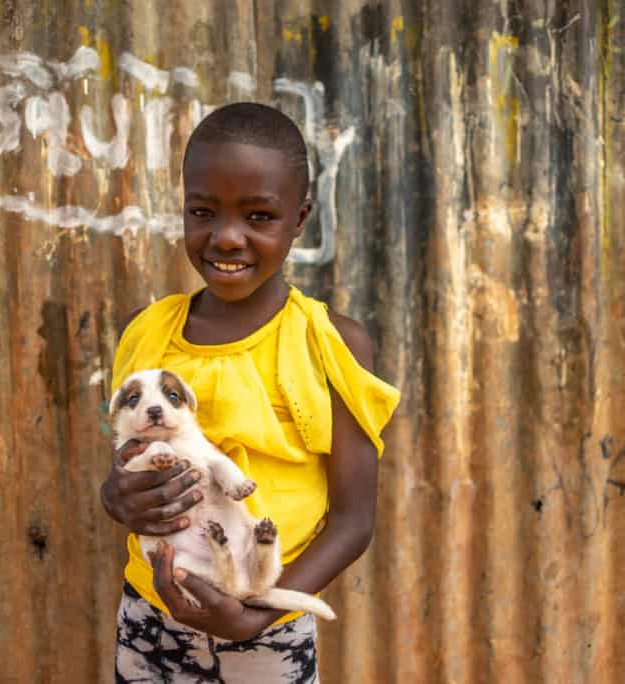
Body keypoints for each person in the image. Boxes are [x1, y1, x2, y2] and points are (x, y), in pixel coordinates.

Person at [100, 102, 400, 683]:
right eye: (203, 211)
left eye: (259, 216)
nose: (227, 237)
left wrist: (256, 614)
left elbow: (353, 519)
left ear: (300, 219)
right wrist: (115, 498)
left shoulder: (332, 343)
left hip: (271, 621)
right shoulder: (146, 333)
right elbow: (130, 467)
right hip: (151, 614)